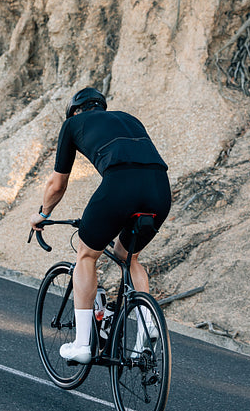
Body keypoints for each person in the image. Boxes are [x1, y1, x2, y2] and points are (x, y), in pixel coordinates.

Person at [29, 87, 171, 364]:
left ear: (75, 111)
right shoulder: (129, 119)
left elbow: (57, 184)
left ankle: (82, 344)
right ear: (102, 107)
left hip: (120, 186)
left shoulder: (72, 124)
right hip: (160, 189)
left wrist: (43, 214)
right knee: (128, 257)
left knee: (86, 255)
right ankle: (147, 324)